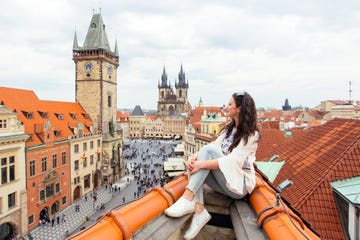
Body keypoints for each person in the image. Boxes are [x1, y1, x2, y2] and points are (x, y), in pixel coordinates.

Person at [164, 91, 260, 240]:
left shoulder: (252, 135)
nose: (226, 107)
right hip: (225, 181)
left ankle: (188, 198)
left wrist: (201, 163)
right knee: (195, 162)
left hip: (238, 185)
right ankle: (199, 211)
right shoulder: (228, 129)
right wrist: (195, 157)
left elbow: (231, 161)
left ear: (239, 108)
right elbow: (214, 145)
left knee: (204, 157)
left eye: (229, 104)